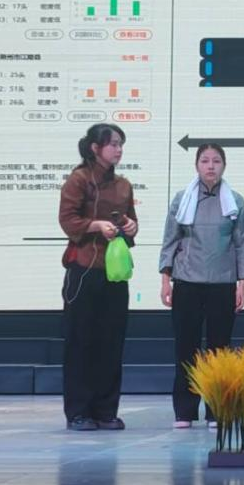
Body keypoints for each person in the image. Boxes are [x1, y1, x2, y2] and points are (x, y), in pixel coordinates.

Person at [159, 143, 244, 430]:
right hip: (187, 282)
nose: (211, 166)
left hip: (223, 284)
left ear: (224, 166)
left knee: (219, 350)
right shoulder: (182, 199)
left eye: (216, 161)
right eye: (205, 160)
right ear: (196, 165)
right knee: (185, 348)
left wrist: (242, 285)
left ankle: (216, 410)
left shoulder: (235, 201)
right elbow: (170, 240)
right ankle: (185, 411)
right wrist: (166, 280)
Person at [58, 123, 138, 432]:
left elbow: (130, 224)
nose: (118, 149)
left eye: (121, 144)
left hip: (114, 272)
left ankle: (106, 411)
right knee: (81, 342)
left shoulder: (123, 185)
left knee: (111, 342)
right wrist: (95, 226)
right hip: (83, 270)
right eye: (113, 144)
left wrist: (130, 226)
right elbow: (68, 220)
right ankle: (78, 412)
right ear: (95, 148)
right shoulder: (78, 179)